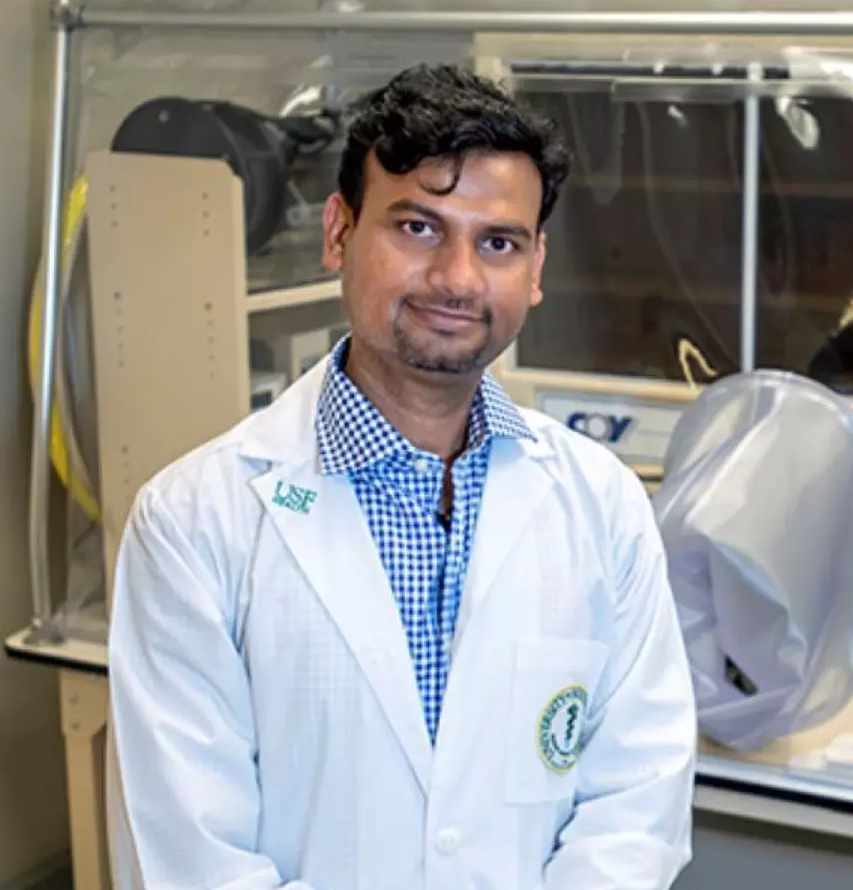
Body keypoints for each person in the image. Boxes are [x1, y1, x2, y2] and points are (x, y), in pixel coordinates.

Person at [104, 63, 698, 890]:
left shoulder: (602, 505)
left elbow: (637, 799)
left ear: (535, 268)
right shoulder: (193, 522)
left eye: (498, 243)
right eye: (418, 227)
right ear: (339, 232)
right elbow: (191, 855)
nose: (458, 278)